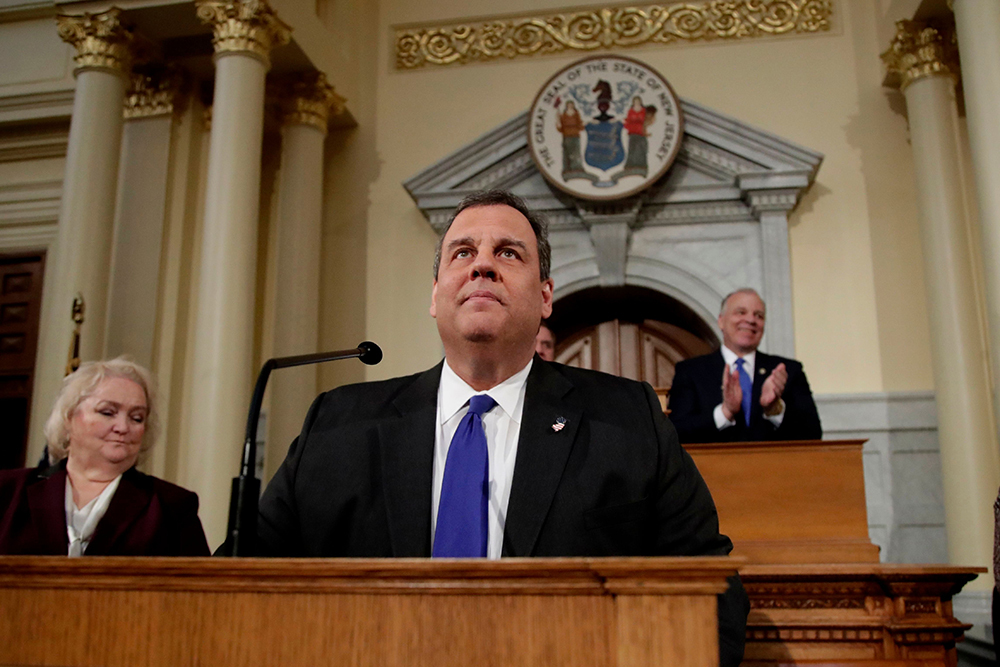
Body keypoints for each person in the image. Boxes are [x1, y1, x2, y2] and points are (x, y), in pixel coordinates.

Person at [257, 189, 748, 667]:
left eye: (508, 253)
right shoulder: (339, 425)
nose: (482, 264)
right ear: (435, 295)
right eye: (463, 252)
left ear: (545, 296)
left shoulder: (626, 419)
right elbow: (247, 583)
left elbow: (712, 588)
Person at [0, 358, 210, 556]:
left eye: (136, 418)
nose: (123, 427)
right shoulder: (7, 491)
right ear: (69, 417)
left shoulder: (171, 505)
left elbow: (199, 590)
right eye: (107, 413)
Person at [669, 288, 822, 443]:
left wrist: (774, 410)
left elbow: (813, 434)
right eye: (741, 312)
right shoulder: (691, 371)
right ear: (721, 321)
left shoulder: (787, 371)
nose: (751, 320)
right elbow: (676, 433)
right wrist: (725, 412)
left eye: (759, 316)